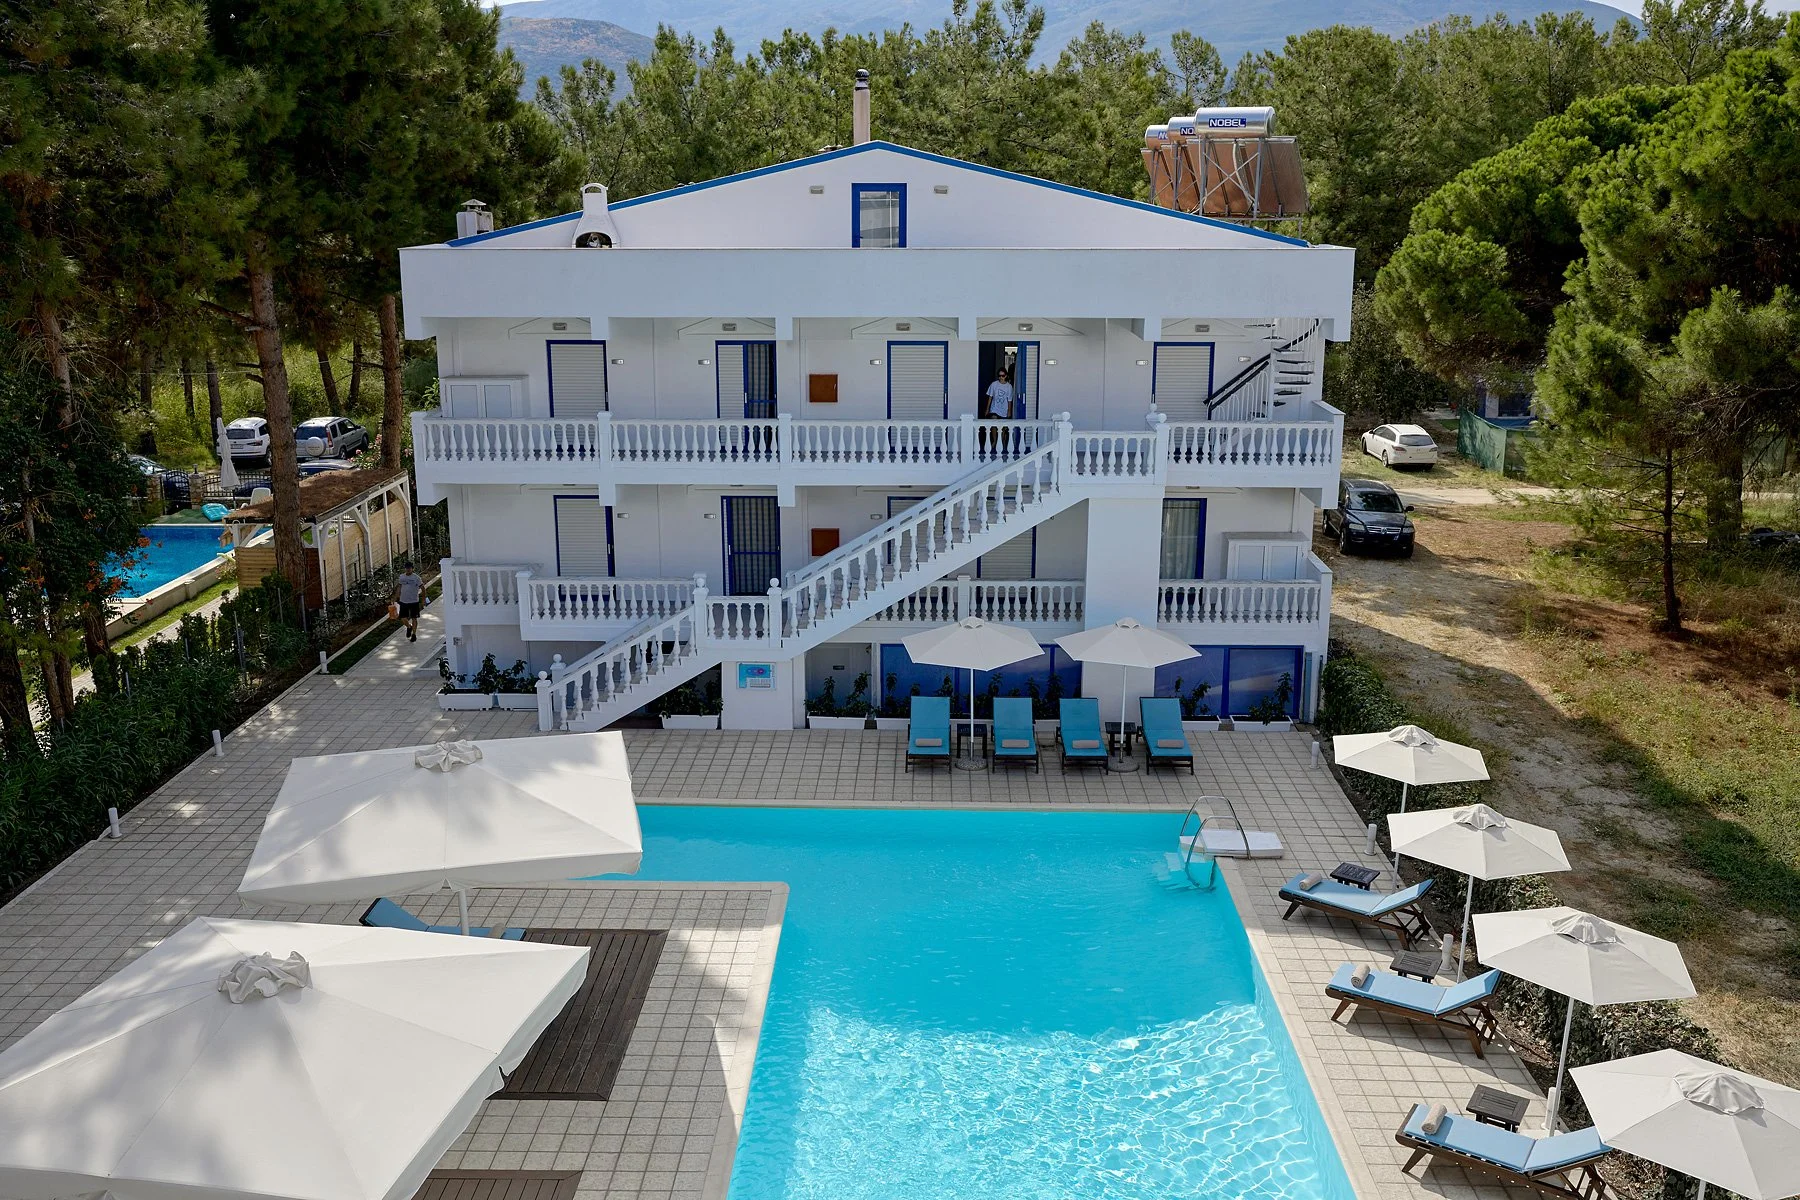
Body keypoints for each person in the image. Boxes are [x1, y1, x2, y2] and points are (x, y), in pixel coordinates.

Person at [394, 562, 425, 642]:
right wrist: (396, 597)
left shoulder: (416, 578)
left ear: (412, 568)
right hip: (403, 601)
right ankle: (409, 627)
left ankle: (414, 634)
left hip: (414, 601)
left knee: (414, 618)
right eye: (407, 568)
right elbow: (399, 587)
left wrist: (423, 599)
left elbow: (422, 588)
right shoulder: (402, 577)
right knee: (403, 618)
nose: (408, 569)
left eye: (409, 568)